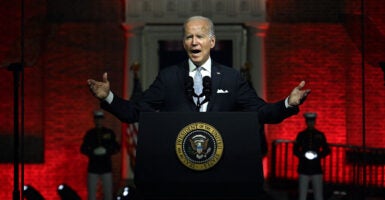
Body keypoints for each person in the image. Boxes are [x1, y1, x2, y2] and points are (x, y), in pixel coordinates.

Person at [87, 15, 311, 197]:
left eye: (200, 36)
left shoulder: (232, 79)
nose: (194, 42)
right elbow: (135, 112)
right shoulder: (168, 77)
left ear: (211, 42)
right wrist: (109, 97)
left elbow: (261, 112)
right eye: (189, 37)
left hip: (220, 179)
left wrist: (287, 104)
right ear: (184, 42)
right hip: (178, 179)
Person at [81, 110, 120, 200]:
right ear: (94, 120)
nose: (98, 121)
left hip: (106, 167)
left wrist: (107, 151)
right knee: (91, 195)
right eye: (97, 119)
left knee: (108, 194)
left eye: (100, 119)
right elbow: (83, 149)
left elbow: (116, 147)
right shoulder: (90, 134)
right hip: (93, 168)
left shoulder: (109, 133)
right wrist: (92, 152)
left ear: (103, 120)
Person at [293, 112, 331, 200]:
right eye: (309, 122)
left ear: (314, 122)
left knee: (318, 195)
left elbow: (327, 150)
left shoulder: (320, 135)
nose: (310, 123)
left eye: (312, 122)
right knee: (302, 195)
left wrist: (317, 155)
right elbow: (295, 150)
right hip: (304, 167)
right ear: (306, 122)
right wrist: (304, 155)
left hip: (316, 168)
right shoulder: (301, 135)